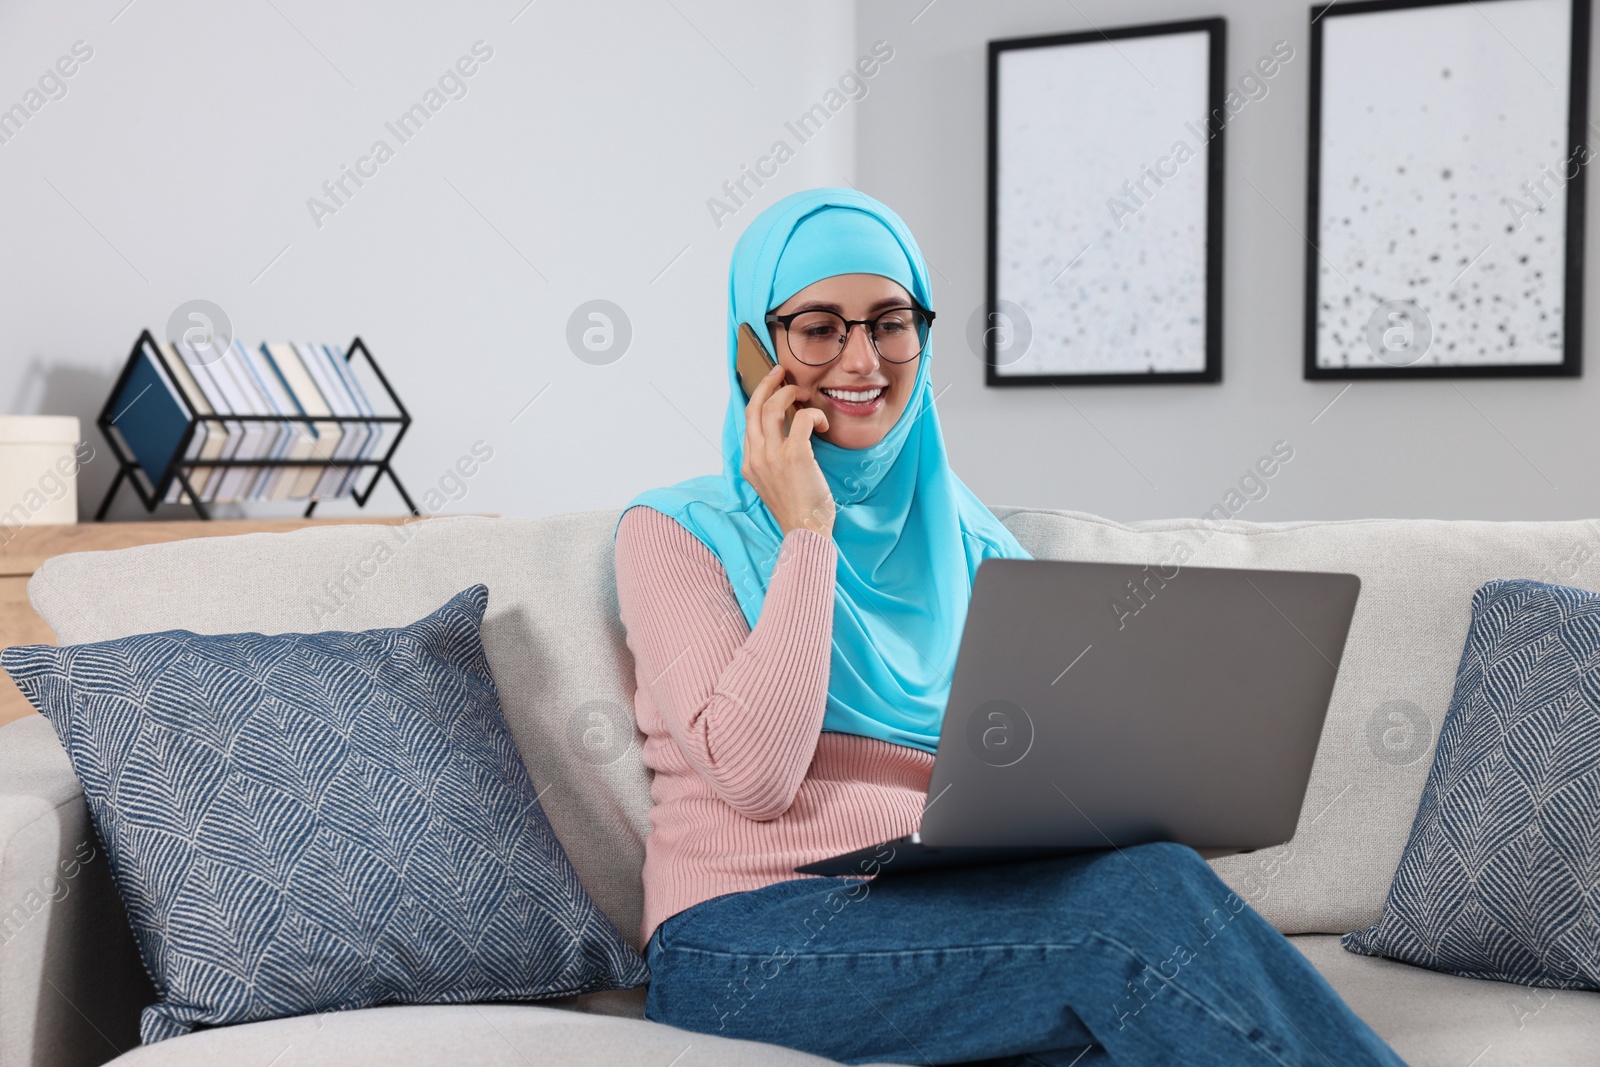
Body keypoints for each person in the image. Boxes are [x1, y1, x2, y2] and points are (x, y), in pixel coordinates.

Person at [611, 188, 1407, 1066]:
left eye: (890, 321)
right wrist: (808, 528)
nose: (862, 357)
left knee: (1153, 936)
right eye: (817, 327)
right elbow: (755, 777)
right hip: (744, 933)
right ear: (753, 349)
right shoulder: (674, 531)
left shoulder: (975, 540)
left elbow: (1039, 771)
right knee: (1127, 919)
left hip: (952, 902)